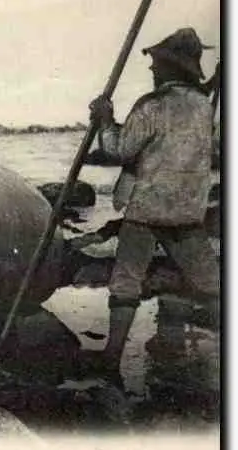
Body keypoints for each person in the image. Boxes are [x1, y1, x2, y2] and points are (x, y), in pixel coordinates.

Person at [88, 27, 220, 388]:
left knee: (126, 282)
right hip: (188, 213)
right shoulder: (204, 107)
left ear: (170, 67)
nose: (151, 69)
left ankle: (111, 360)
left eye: (157, 63)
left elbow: (119, 150)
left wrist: (104, 120)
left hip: (146, 211)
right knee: (211, 284)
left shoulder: (152, 105)